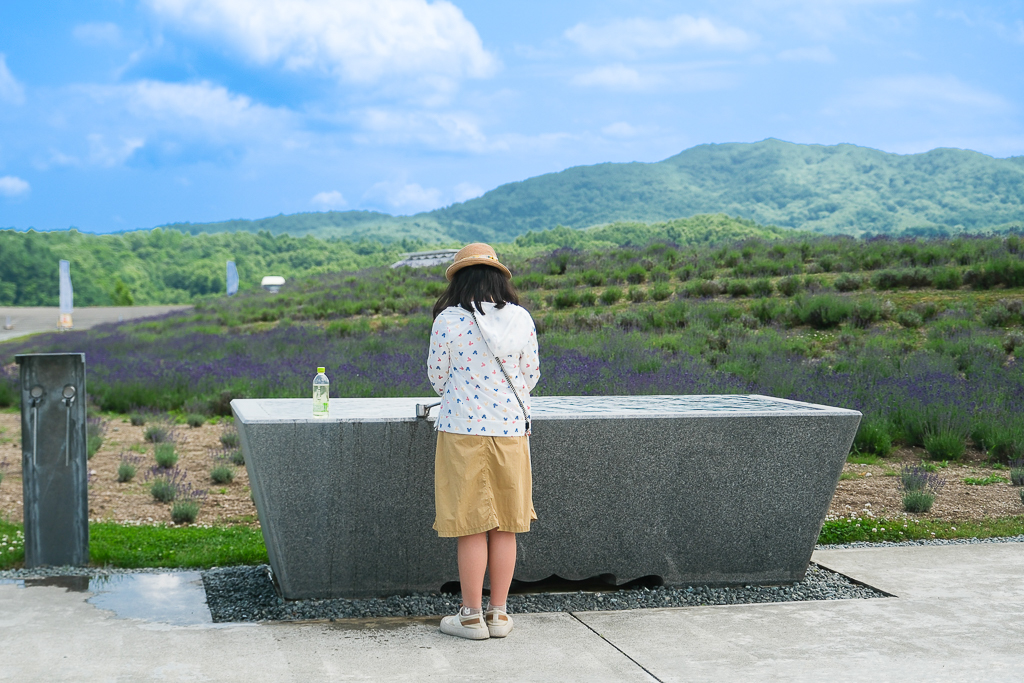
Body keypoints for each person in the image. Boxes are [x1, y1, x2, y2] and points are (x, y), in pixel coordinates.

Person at [427, 242, 540, 640]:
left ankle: (470, 617)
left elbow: (438, 378)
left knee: (471, 525)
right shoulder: (521, 319)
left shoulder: (448, 321)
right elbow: (531, 374)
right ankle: (500, 615)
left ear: (459, 280)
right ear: (499, 277)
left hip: (461, 431)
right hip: (510, 431)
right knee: (506, 525)